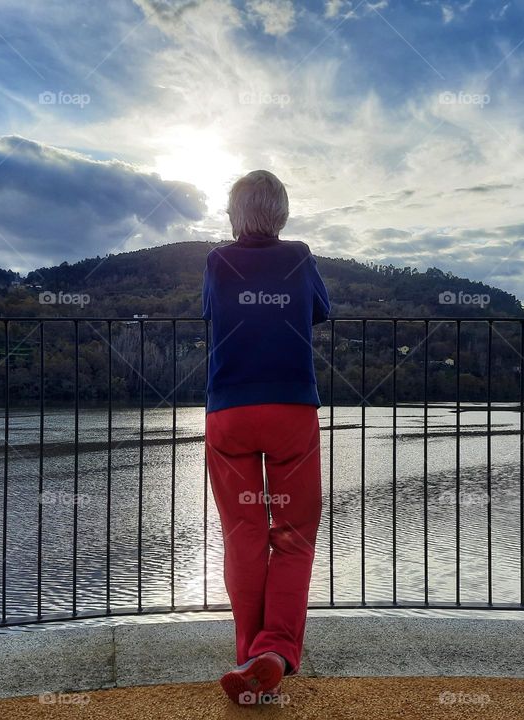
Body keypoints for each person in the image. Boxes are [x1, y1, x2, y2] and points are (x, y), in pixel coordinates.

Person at [201, 169, 330, 705]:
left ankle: (249, 656)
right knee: (293, 533)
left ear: (236, 214)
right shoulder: (300, 255)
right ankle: (273, 652)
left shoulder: (216, 261)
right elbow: (322, 311)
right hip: (290, 409)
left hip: (229, 410)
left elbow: (211, 310)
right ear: (281, 213)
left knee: (244, 534)